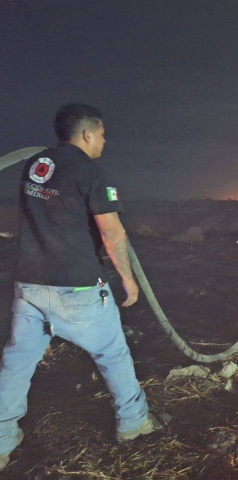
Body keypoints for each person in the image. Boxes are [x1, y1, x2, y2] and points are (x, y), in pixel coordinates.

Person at [0, 103, 160, 470]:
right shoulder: (93, 173)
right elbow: (111, 232)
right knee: (113, 354)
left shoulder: (36, 166)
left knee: (16, 362)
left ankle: (2, 440)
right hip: (77, 285)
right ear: (87, 133)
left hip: (30, 282)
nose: (103, 140)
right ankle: (134, 424)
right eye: (101, 134)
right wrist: (128, 281)